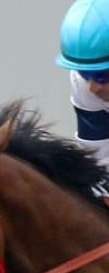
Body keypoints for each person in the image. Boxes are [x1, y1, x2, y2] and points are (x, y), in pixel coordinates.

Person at [58, 0, 109, 170]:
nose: (92, 88)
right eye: (85, 74)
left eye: (102, 76)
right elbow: (99, 163)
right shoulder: (81, 84)